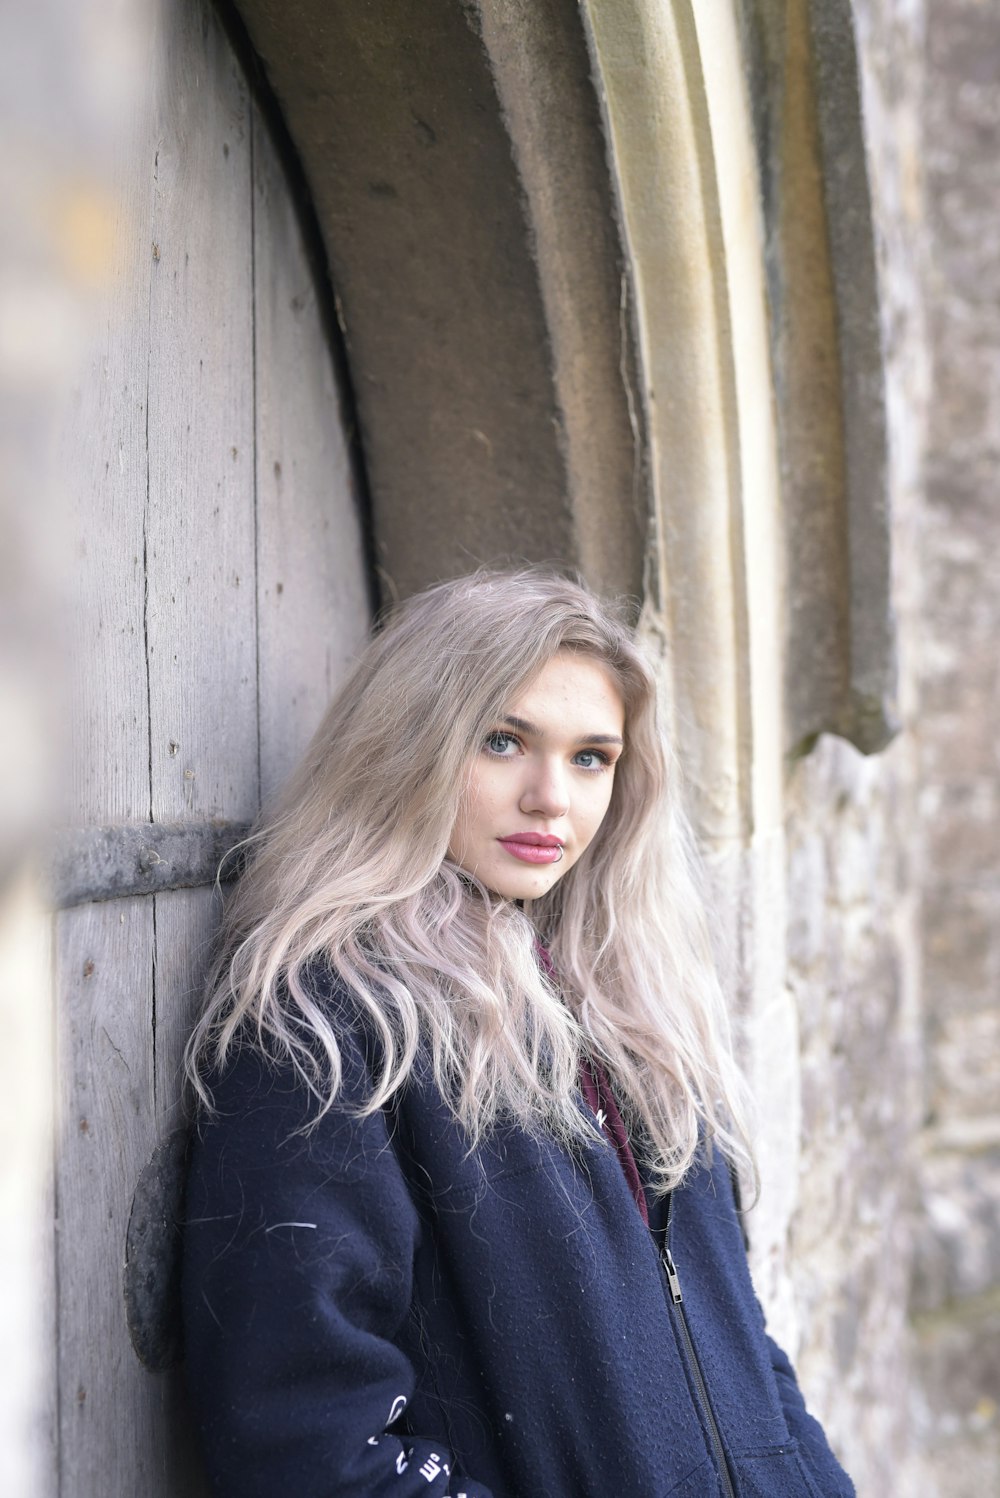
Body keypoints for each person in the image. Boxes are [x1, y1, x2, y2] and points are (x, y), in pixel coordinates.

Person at [182, 569, 855, 1497]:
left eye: (592, 757)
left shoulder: (638, 1013)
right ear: (414, 744)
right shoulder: (338, 1019)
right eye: (504, 742)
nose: (552, 798)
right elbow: (308, 1439)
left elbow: (739, 1346)